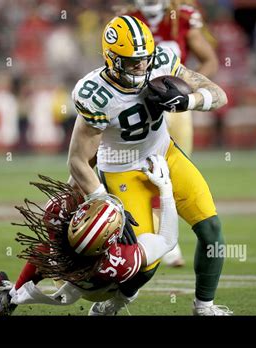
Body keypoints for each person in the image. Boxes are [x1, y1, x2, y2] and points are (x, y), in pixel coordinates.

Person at [67, 16, 232, 315]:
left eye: (144, 60)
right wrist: (103, 201)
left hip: (165, 154)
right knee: (144, 262)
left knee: (212, 230)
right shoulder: (96, 94)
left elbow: (219, 95)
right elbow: (78, 159)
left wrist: (189, 101)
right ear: (112, 59)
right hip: (123, 170)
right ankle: (112, 303)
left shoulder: (162, 61)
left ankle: (204, 308)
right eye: (132, 62)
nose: (141, 67)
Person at [0, 155, 178, 316]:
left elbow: (74, 183)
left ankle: (11, 298)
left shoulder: (58, 212)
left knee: (47, 248)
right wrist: (166, 189)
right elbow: (168, 240)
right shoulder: (120, 260)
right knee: (150, 249)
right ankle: (115, 303)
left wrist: (87, 157)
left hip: (66, 275)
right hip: (104, 290)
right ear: (110, 242)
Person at [128, 0, 219, 266]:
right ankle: (166, 242)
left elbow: (210, 60)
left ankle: (168, 238)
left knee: (172, 172)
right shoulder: (129, 19)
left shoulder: (181, 17)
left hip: (176, 110)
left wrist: (183, 89)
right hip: (140, 109)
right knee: (146, 173)